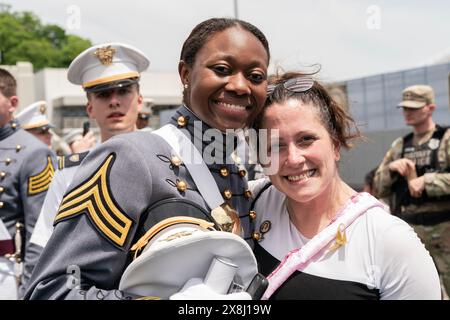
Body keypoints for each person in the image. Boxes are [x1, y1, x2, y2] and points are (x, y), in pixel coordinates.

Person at [25, 17, 270, 300]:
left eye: (255, 77)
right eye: (222, 69)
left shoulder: (232, 166)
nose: (240, 86)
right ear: (185, 74)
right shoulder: (131, 156)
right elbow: (52, 291)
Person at [249, 72, 441, 299]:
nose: (293, 158)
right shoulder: (250, 201)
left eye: (306, 139)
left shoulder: (391, 242)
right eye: (275, 145)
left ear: (336, 145)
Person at [27, 42, 149, 279]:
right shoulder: (69, 173)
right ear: (90, 108)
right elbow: (42, 248)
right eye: (104, 94)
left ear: (140, 100)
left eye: (124, 91)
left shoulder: (170, 157)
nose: (114, 101)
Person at [373, 84, 450, 296]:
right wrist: (391, 169)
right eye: (405, 108)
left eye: (414, 108)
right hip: (412, 230)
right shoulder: (400, 145)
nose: (408, 112)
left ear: (430, 108)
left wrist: (428, 180)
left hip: (445, 230)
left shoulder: (446, 139)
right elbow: (379, 186)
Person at [0, 68, 56, 298]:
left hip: (5, 274)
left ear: (12, 103)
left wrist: (29, 291)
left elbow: (40, 233)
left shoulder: (34, 153)